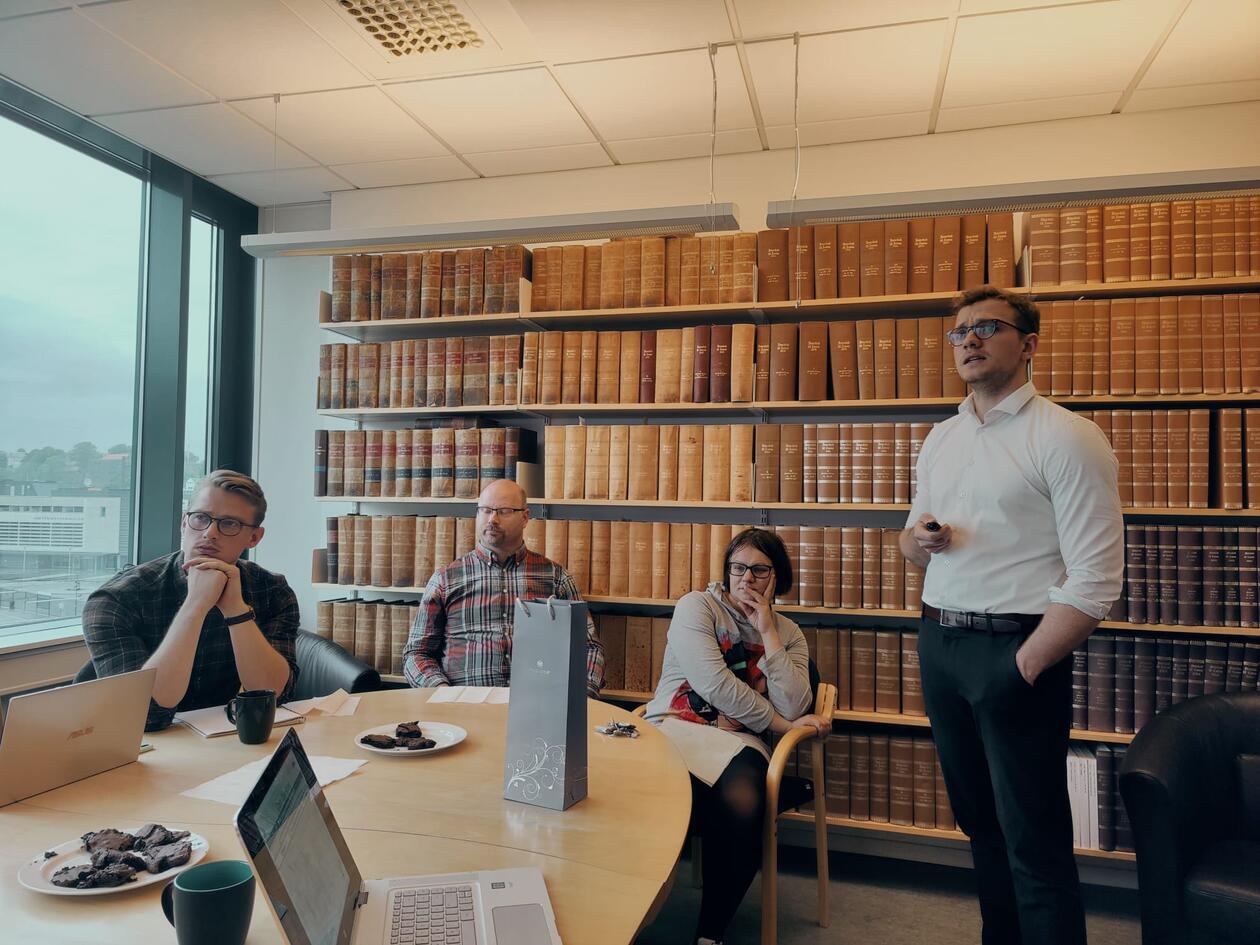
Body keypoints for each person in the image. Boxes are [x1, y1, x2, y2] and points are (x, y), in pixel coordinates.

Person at [899, 285, 1124, 945]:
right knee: (981, 827)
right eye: (960, 331)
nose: (968, 339)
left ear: (1028, 345)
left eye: (987, 327)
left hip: (1016, 650)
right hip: (941, 643)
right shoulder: (941, 437)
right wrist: (921, 540)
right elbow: (908, 541)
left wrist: (1025, 662)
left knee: (1034, 838)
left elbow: (1096, 580)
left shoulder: (1068, 437)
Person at [644, 527, 829, 945]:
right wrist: (780, 726)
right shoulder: (697, 607)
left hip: (739, 743)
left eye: (759, 570)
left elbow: (796, 703)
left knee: (744, 800)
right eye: (738, 568)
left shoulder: (789, 633)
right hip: (675, 728)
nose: (746, 578)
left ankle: (710, 933)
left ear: (778, 577)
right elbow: (714, 683)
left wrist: (768, 632)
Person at [83, 470, 299, 731]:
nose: (210, 533)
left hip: (217, 741)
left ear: (254, 538)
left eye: (229, 524)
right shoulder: (116, 600)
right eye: (201, 518)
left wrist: (236, 611)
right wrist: (195, 605)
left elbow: (274, 695)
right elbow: (145, 714)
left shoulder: (272, 590)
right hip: (135, 745)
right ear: (184, 523)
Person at [403, 479, 604, 695]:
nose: (492, 519)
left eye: (504, 511)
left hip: (538, 703)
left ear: (525, 517)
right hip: (463, 705)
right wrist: (443, 692)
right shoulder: (446, 579)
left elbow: (589, 648)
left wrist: (579, 697)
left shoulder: (556, 578)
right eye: (486, 510)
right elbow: (416, 653)